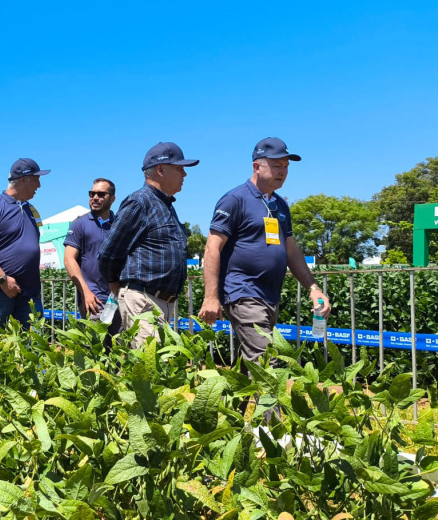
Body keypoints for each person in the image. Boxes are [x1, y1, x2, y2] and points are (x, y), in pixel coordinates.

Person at [198, 137, 331, 364]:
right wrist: (210, 297)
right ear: (257, 166)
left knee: (249, 367)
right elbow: (212, 247)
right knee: (267, 362)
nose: (283, 171)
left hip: (269, 296)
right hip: (243, 292)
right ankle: (272, 401)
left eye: (286, 166)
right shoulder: (234, 200)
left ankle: (230, 399)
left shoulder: (279, 205)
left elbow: (291, 250)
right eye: (277, 165)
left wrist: (313, 287)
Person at [98, 142, 199, 349]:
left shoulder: (165, 205)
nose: (185, 175)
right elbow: (109, 252)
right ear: (161, 170)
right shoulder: (140, 202)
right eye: (180, 169)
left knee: (151, 368)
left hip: (160, 302)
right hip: (143, 300)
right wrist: (114, 282)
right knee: (148, 369)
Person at [0, 157, 48, 329]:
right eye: (36, 180)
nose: (39, 186)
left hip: (29, 292)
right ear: (23, 179)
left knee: (34, 348)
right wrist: (3, 279)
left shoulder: (30, 210)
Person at [63, 178, 121, 333]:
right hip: (93, 300)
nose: (95, 197)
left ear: (112, 198)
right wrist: (86, 292)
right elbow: (69, 259)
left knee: (119, 350)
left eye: (101, 194)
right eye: (92, 193)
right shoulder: (80, 224)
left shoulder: (119, 224)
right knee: (94, 350)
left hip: (119, 299)